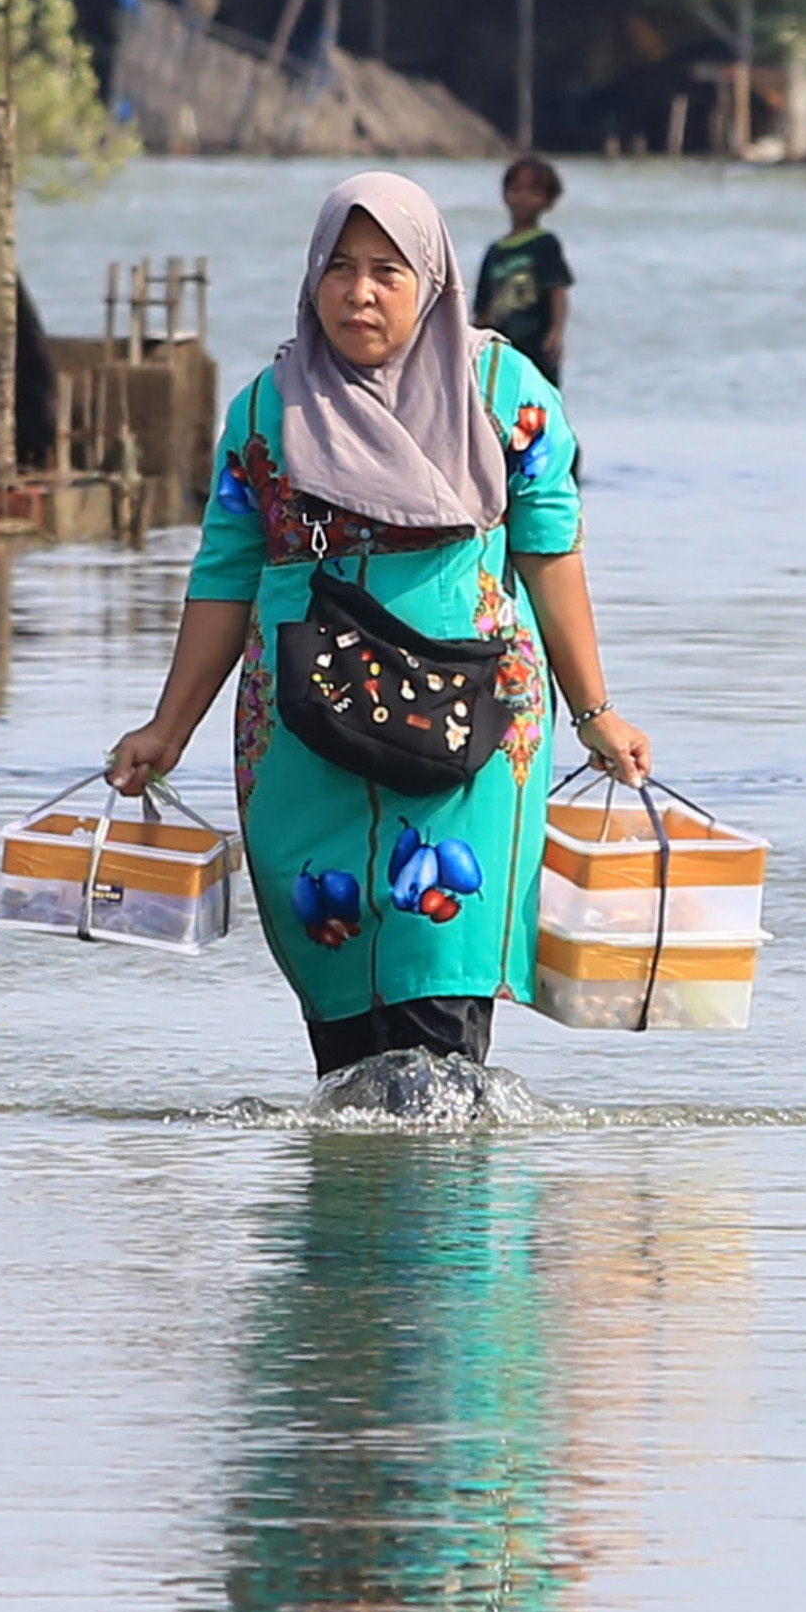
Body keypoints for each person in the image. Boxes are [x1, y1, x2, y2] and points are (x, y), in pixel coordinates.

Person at [107, 174, 651, 1072]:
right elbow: (224, 576)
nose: (359, 293)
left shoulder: (504, 392)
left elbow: (552, 556)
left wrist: (597, 714)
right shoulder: (267, 410)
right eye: (340, 268)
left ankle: (450, 1205)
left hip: (470, 726)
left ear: (432, 282)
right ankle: (352, 1205)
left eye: (387, 272)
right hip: (302, 730)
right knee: (343, 1006)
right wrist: (167, 729)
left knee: (441, 964)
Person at [472, 154, 575, 380]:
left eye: (534, 192)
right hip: (501, 349)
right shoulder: (495, 251)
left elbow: (557, 290)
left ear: (549, 200)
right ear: (505, 194)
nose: (523, 197)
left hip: (537, 345)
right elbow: (482, 309)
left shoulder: (545, 244)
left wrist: (556, 331)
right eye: (516, 189)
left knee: (537, 404)